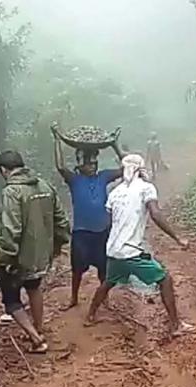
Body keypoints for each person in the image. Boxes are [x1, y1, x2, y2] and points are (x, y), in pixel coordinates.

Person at [85, 154, 196, 337]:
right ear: (140, 169)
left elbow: (109, 222)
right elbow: (155, 213)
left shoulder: (115, 192)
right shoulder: (146, 188)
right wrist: (177, 237)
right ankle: (176, 325)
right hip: (130, 252)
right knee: (165, 279)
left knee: (109, 281)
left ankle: (90, 315)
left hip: (115, 250)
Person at [0, 150, 71, 353]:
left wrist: (5, 258)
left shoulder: (11, 192)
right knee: (34, 288)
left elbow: (11, 229)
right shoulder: (44, 186)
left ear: (4, 170)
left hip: (20, 257)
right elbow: (61, 220)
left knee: (10, 300)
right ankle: (38, 328)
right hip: (40, 255)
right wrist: (57, 245)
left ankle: (37, 340)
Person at [52, 125, 124, 309]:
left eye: (94, 163)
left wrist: (115, 145)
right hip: (82, 233)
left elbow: (126, 167)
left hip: (102, 231)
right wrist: (57, 140)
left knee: (103, 269)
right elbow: (60, 166)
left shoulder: (103, 177)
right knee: (77, 269)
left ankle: (104, 298)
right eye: (88, 164)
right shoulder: (75, 180)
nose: (92, 167)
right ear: (79, 166)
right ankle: (74, 298)